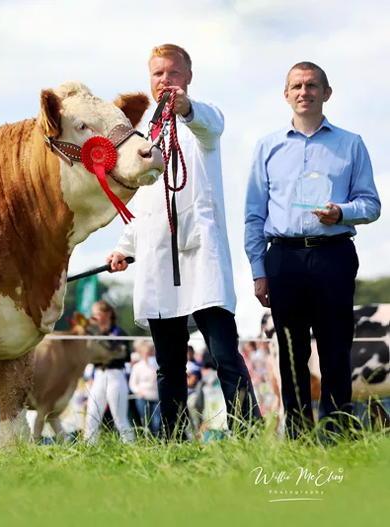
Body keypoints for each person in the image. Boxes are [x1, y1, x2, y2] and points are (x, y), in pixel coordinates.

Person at [108, 43, 260, 439]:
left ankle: (248, 433)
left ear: (188, 77)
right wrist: (124, 247)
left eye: (173, 73)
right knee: (168, 364)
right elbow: (142, 200)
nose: (165, 80)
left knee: (224, 355)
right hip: (158, 258)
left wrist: (187, 108)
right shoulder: (142, 134)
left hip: (201, 257)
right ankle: (173, 441)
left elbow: (211, 124)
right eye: (158, 73)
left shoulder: (203, 120)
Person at [244, 61, 381, 437]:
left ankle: (338, 432)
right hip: (283, 257)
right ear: (286, 95)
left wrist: (342, 212)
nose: (304, 92)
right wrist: (258, 269)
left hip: (333, 255)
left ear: (326, 93)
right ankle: (299, 435)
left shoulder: (350, 144)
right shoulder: (267, 147)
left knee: (336, 348)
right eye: (297, 86)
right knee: (291, 353)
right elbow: (254, 215)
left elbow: (371, 204)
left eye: (312, 85)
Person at [83, 300, 135, 443]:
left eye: (97, 314)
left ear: (107, 314)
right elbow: (90, 355)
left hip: (115, 375)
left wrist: (104, 352)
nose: (93, 317)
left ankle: (131, 446)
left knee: (120, 418)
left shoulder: (119, 333)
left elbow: (123, 355)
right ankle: (89, 447)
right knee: (92, 416)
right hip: (99, 375)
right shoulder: (94, 333)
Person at [128, 341, 161, 436]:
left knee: (156, 422)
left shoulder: (157, 366)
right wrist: (138, 391)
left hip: (156, 397)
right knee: (145, 422)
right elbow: (132, 384)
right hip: (142, 398)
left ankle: (156, 439)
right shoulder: (137, 367)